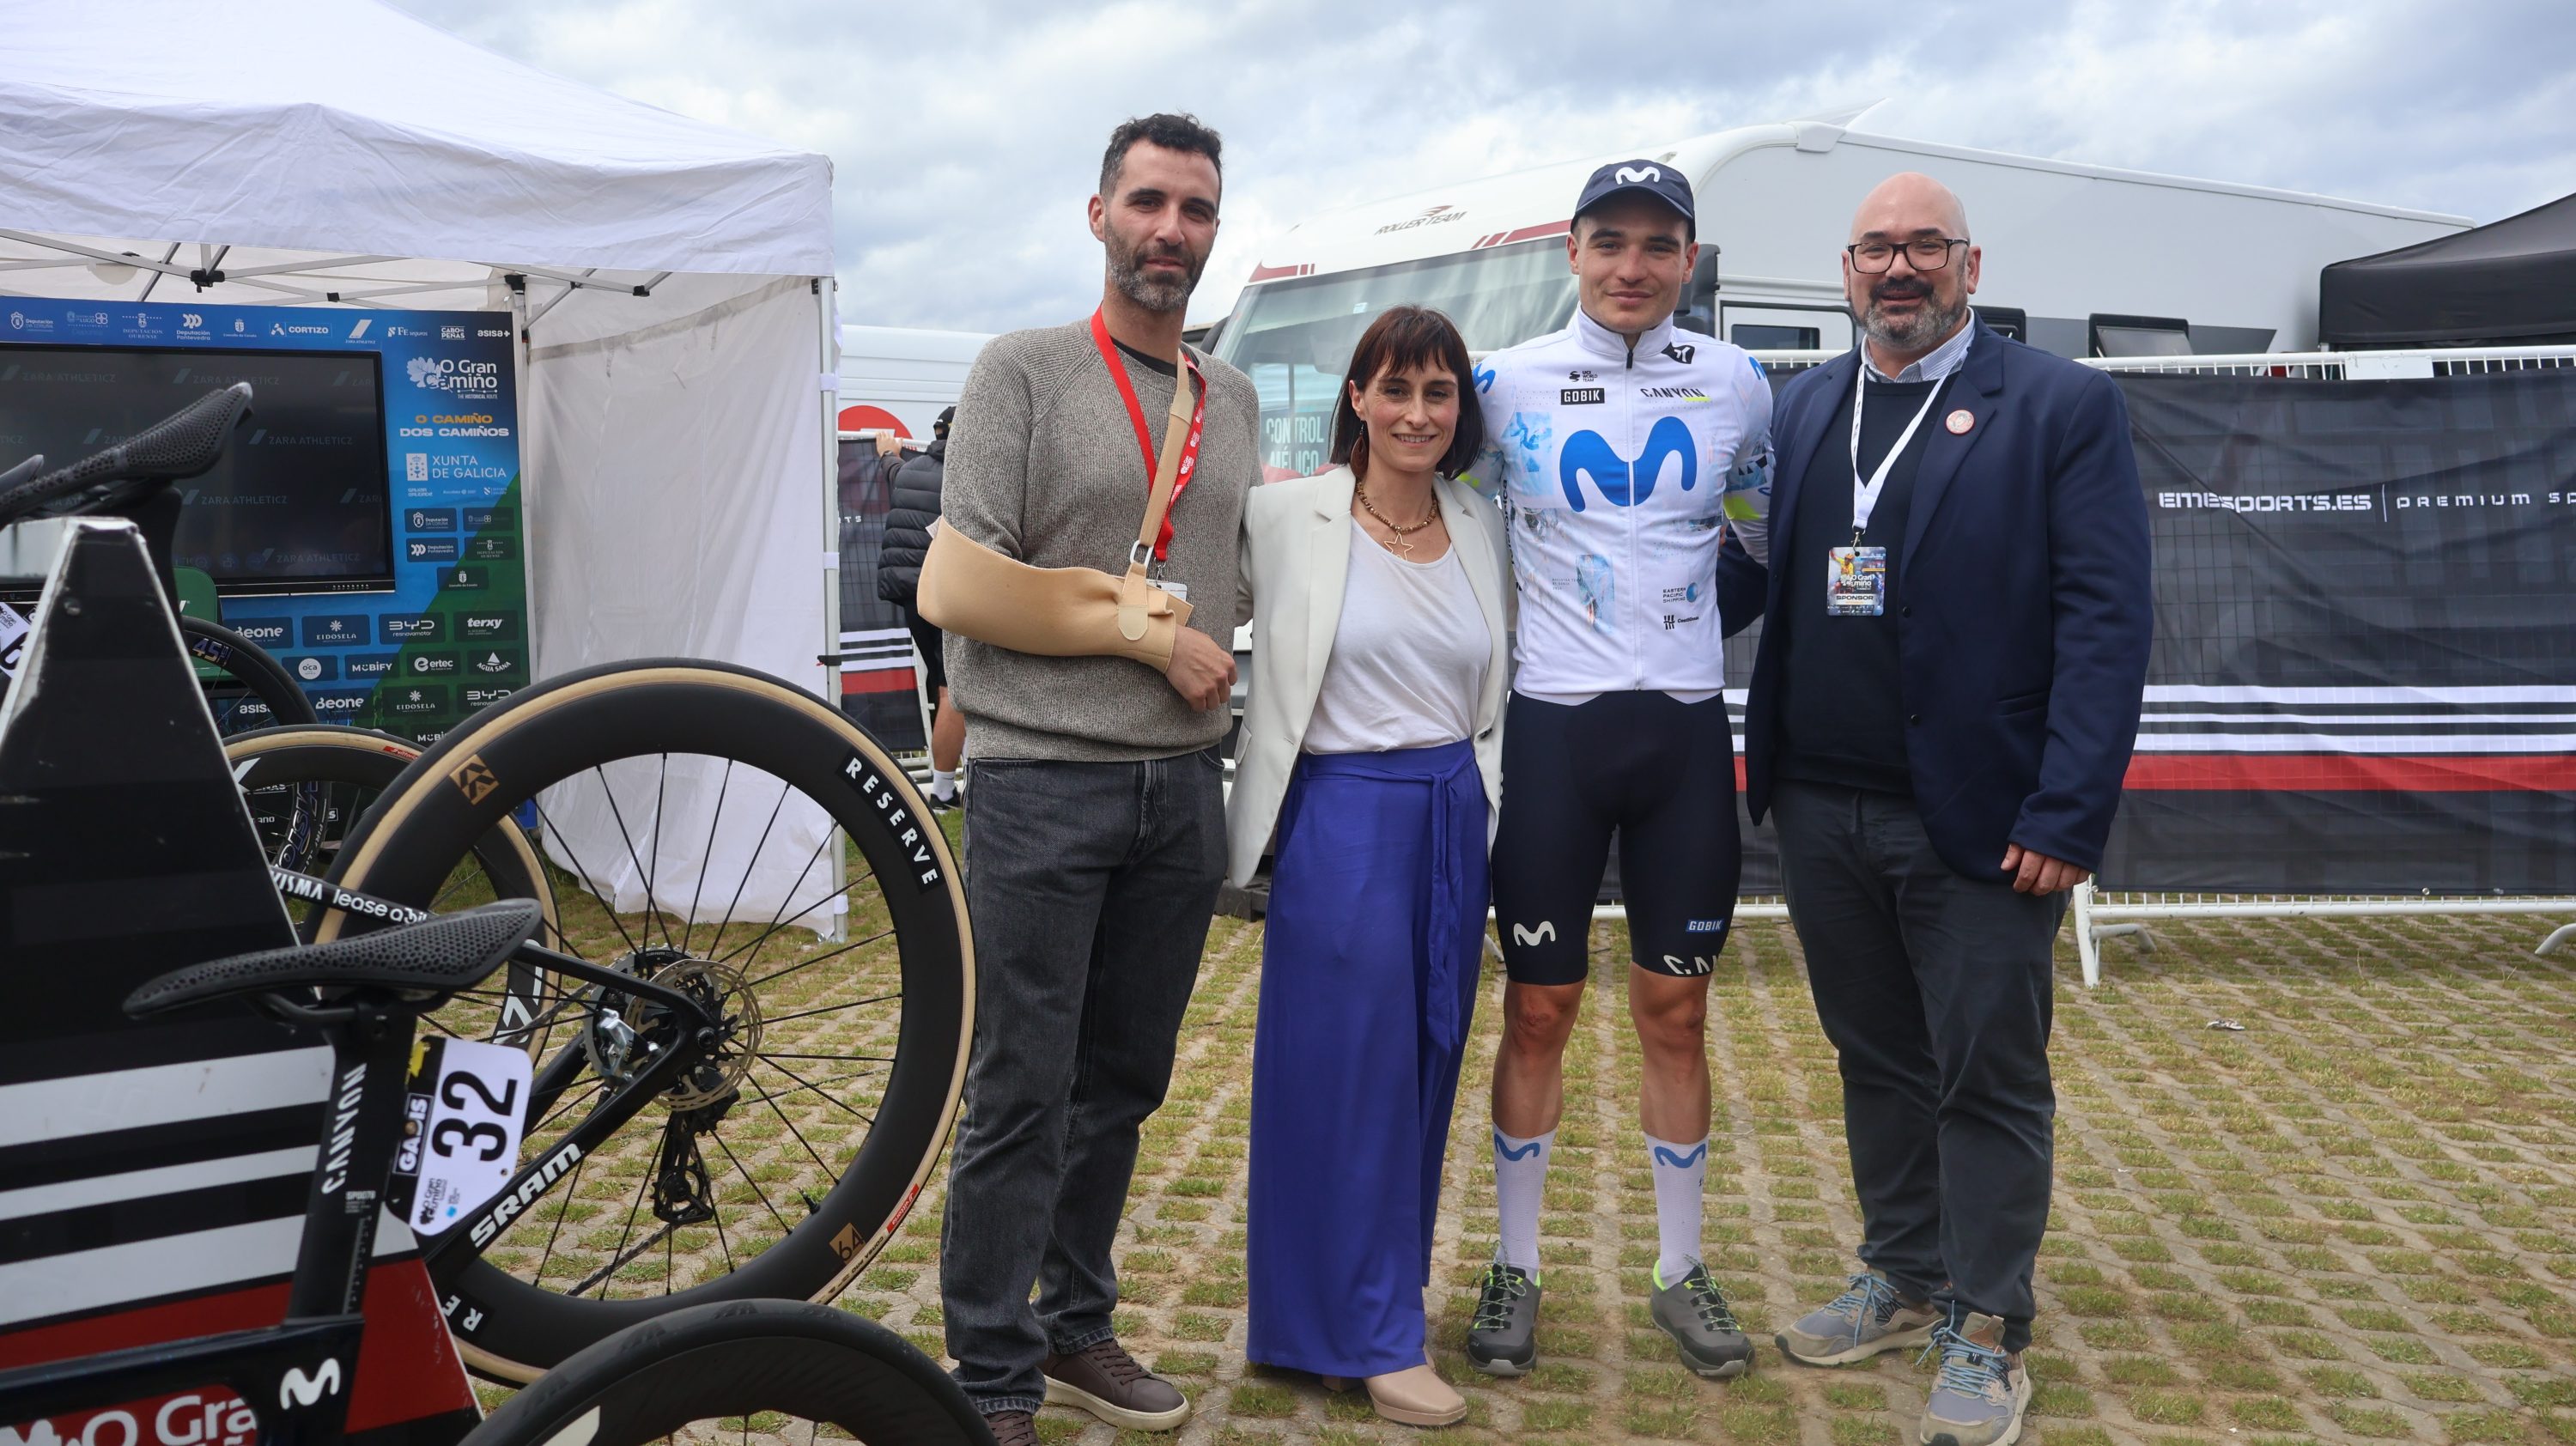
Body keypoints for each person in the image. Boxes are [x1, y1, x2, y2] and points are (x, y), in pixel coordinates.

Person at [1748, 173, 2151, 1446]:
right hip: (1821, 807)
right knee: (1875, 1057)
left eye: (1926, 246)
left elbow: (2106, 620)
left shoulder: (2062, 406)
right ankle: (1901, 1266)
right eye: (1878, 249)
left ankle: (1986, 1323)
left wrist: (2069, 810)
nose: (1900, 268)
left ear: (1970, 266)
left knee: (1988, 1071)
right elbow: (1749, 576)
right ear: (1847, 268)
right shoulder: (1807, 403)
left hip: (1983, 818)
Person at [933, 112, 1257, 1446]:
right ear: (1099, 214)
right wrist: (1150, 636)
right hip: (1041, 784)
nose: (1170, 230)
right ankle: (991, 1373)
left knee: (1123, 1081)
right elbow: (963, 585)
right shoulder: (1022, 370)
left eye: (1194, 209)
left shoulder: (1227, 399)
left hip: (1180, 791)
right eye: (1149, 202)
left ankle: (1074, 1325)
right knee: (1020, 1084)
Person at [1462, 160, 1776, 1382]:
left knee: (1677, 1011)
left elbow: (1755, 535)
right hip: (1553, 736)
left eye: (1658, 245)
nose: (1632, 267)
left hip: (1686, 738)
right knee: (1537, 1008)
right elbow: (1451, 522)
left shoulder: (1738, 384)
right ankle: (1518, 1266)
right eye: (1610, 243)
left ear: (1688, 259)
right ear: (1573, 253)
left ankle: (1680, 1268)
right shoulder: (1502, 384)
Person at [1229, 305, 1510, 1429]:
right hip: (1341, 816)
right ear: (1357, 396)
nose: (1415, 413)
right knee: (1338, 1083)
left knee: (1427, 1070)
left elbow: (1491, 692)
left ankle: (1347, 1320)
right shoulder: (1286, 514)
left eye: (1438, 394)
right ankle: (1367, 1338)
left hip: (1454, 814)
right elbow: (1189, 604)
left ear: (1459, 410)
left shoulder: (1481, 522)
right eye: (1395, 389)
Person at [878, 406, 963, 809]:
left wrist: (886, 454)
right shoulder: (967, 475)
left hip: (911, 596)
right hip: (949, 595)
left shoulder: (908, 469)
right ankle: (943, 790)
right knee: (955, 692)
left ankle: (947, 780)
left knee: (943, 686)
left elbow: (893, 474)